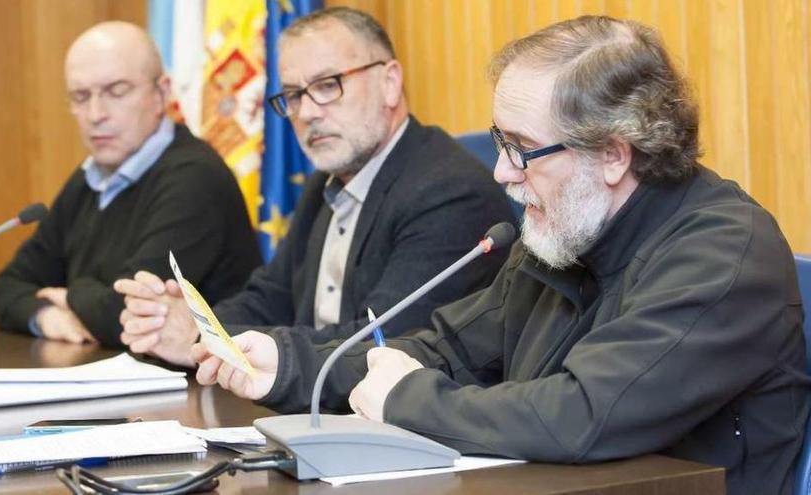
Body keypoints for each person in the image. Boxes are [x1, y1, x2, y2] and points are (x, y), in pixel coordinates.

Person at [190, 15, 811, 495]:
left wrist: (406, 400)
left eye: (522, 149)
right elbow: (444, 350)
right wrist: (289, 366)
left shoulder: (724, 254)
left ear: (614, 156)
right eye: (498, 142)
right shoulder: (562, 228)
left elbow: (582, 413)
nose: (501, 172)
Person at [114, 7, 514, 367]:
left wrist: (206, 340)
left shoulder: (448, 192)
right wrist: (185, 320)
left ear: (390, 82)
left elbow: (378, 345)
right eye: (293, 95)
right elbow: (270, 299)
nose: (306, 113)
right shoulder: (326, 182)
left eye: (328, 85)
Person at [0, 21, 262, 348]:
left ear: (161, 93)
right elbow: (6, 286)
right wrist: (47, 315)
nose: (95, 114)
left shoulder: (195, 178)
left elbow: (130, 316)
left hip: (207, 391)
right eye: (80, 96)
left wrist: (71, 294)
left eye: (116, 91)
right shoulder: (89, 179)